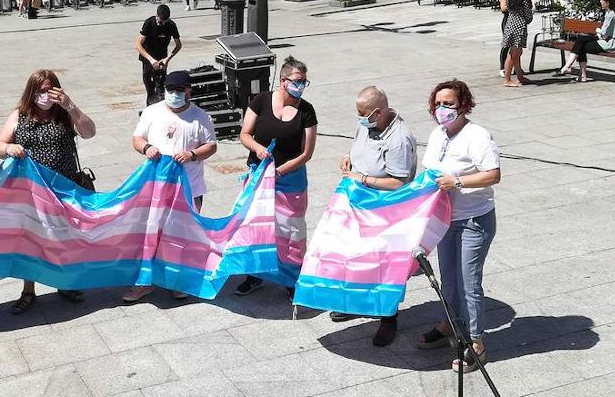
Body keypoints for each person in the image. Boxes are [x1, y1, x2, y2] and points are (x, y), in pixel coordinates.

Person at [0, 69, 98, 315]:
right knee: (30, 238)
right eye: (40, 91)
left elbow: (89, 132)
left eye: (49, 90)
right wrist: (9, 148)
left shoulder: (64, 114)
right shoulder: (19, 115)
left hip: (63, 187)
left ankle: (65, 283)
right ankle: (28, 290)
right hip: (31, 191)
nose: (44, 96)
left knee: (64, 236)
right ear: (31, 92)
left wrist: (70, 105)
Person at [415, 79, 501, 372]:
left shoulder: (477, 136)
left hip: (474, 220)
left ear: (463, 105)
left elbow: (493, 174)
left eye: (448, 104)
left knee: (469, 283)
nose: (442, 109)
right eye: (438, 104)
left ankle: (476, 342)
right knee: (448, 279)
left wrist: (458, 181)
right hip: (444, 218)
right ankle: (450, 325)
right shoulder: (438, 134)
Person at [329, 86, 417, 346]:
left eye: (363, 114)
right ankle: (356, 302)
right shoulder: (367, 125)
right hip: (358, 207)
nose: (359, 118)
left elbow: (400, 183)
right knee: (355, 258)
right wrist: (349, 160)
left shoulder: (399, 138)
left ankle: (388, 318)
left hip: (385, 212)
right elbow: (357, 148)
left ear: (378, 113)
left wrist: (363, 178)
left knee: (384, 267)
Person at [123, 70, 218, 304]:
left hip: (189, 187)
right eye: (170, 90)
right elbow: (137, 138)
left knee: (182, 235)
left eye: (179, 91)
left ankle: (178, 281)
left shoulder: (200, 116)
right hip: (156, 187)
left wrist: (192, 154)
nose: (174, 94)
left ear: (189, 92)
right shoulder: (152, 112)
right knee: (150, 232)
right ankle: (143, 283)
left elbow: (211, 145)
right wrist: (147, 148)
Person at [235, 55, 317, 296]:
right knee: (256, 226)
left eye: (304, 81)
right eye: (297, 80)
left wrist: (280, 171)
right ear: (283, 80)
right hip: (260, 177)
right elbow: (245, 134)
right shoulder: (261, 101)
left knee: (291, 232)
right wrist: (257, 148)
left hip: (290, 180)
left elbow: (306, 152)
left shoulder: (307, 110)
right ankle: (254, 275)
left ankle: (291, 279)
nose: (301, 85)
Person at [555, 0, 615, 82]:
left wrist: (598, 30)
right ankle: (569, 68)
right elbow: (605, 33)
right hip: (605, 39)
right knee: (581, 40)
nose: (600, 2)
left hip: (610, 43)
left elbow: (605, 34)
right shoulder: (609, 13)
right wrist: (599, 32)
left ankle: (572, 69)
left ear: (608, 2)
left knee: (581, 45)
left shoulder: (612, 14)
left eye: (602, 0)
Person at [135, 4, 181, 105]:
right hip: (148, 56)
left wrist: (167, 59)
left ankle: (161, 105)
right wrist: (151, 60)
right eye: (161, 21)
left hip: (162, 57)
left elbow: (178, 45)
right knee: (149, 85)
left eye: (165, 22)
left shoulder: (171, 25)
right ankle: (149, 104)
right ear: (157, 16)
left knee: (160, 86)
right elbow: (138, 44)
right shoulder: (149, 23)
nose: (163, 24)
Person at [498, 0, 534, 88]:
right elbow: (528, 17)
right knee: (513, 54)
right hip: (519, 28)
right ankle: (507, 80)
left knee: (516, 53)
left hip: (510, 25)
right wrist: (532, 8)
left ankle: (519, 76)